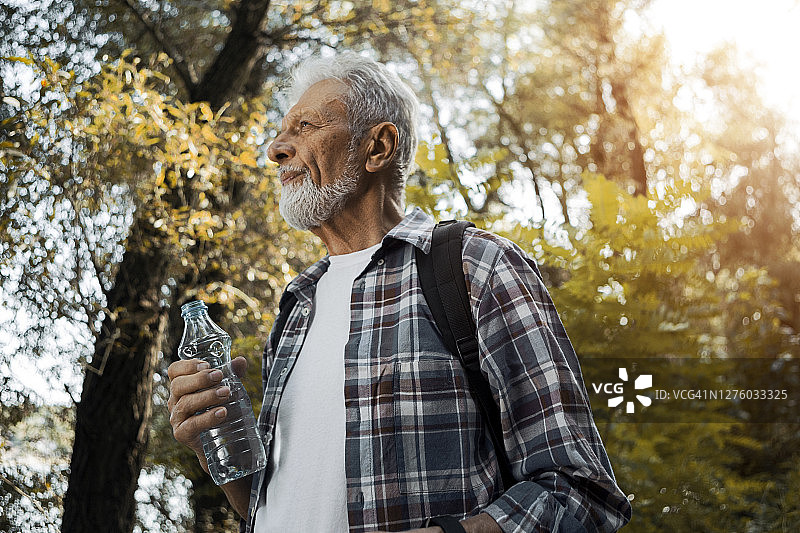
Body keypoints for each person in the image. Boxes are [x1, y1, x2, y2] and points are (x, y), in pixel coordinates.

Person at [167, 52, 632, 533]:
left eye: (305, 126)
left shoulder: (476, 266)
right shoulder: (295, 307)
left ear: (377, 147)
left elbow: (580, 492)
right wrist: (215, 444)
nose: (277, 149)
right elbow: (277, 508)